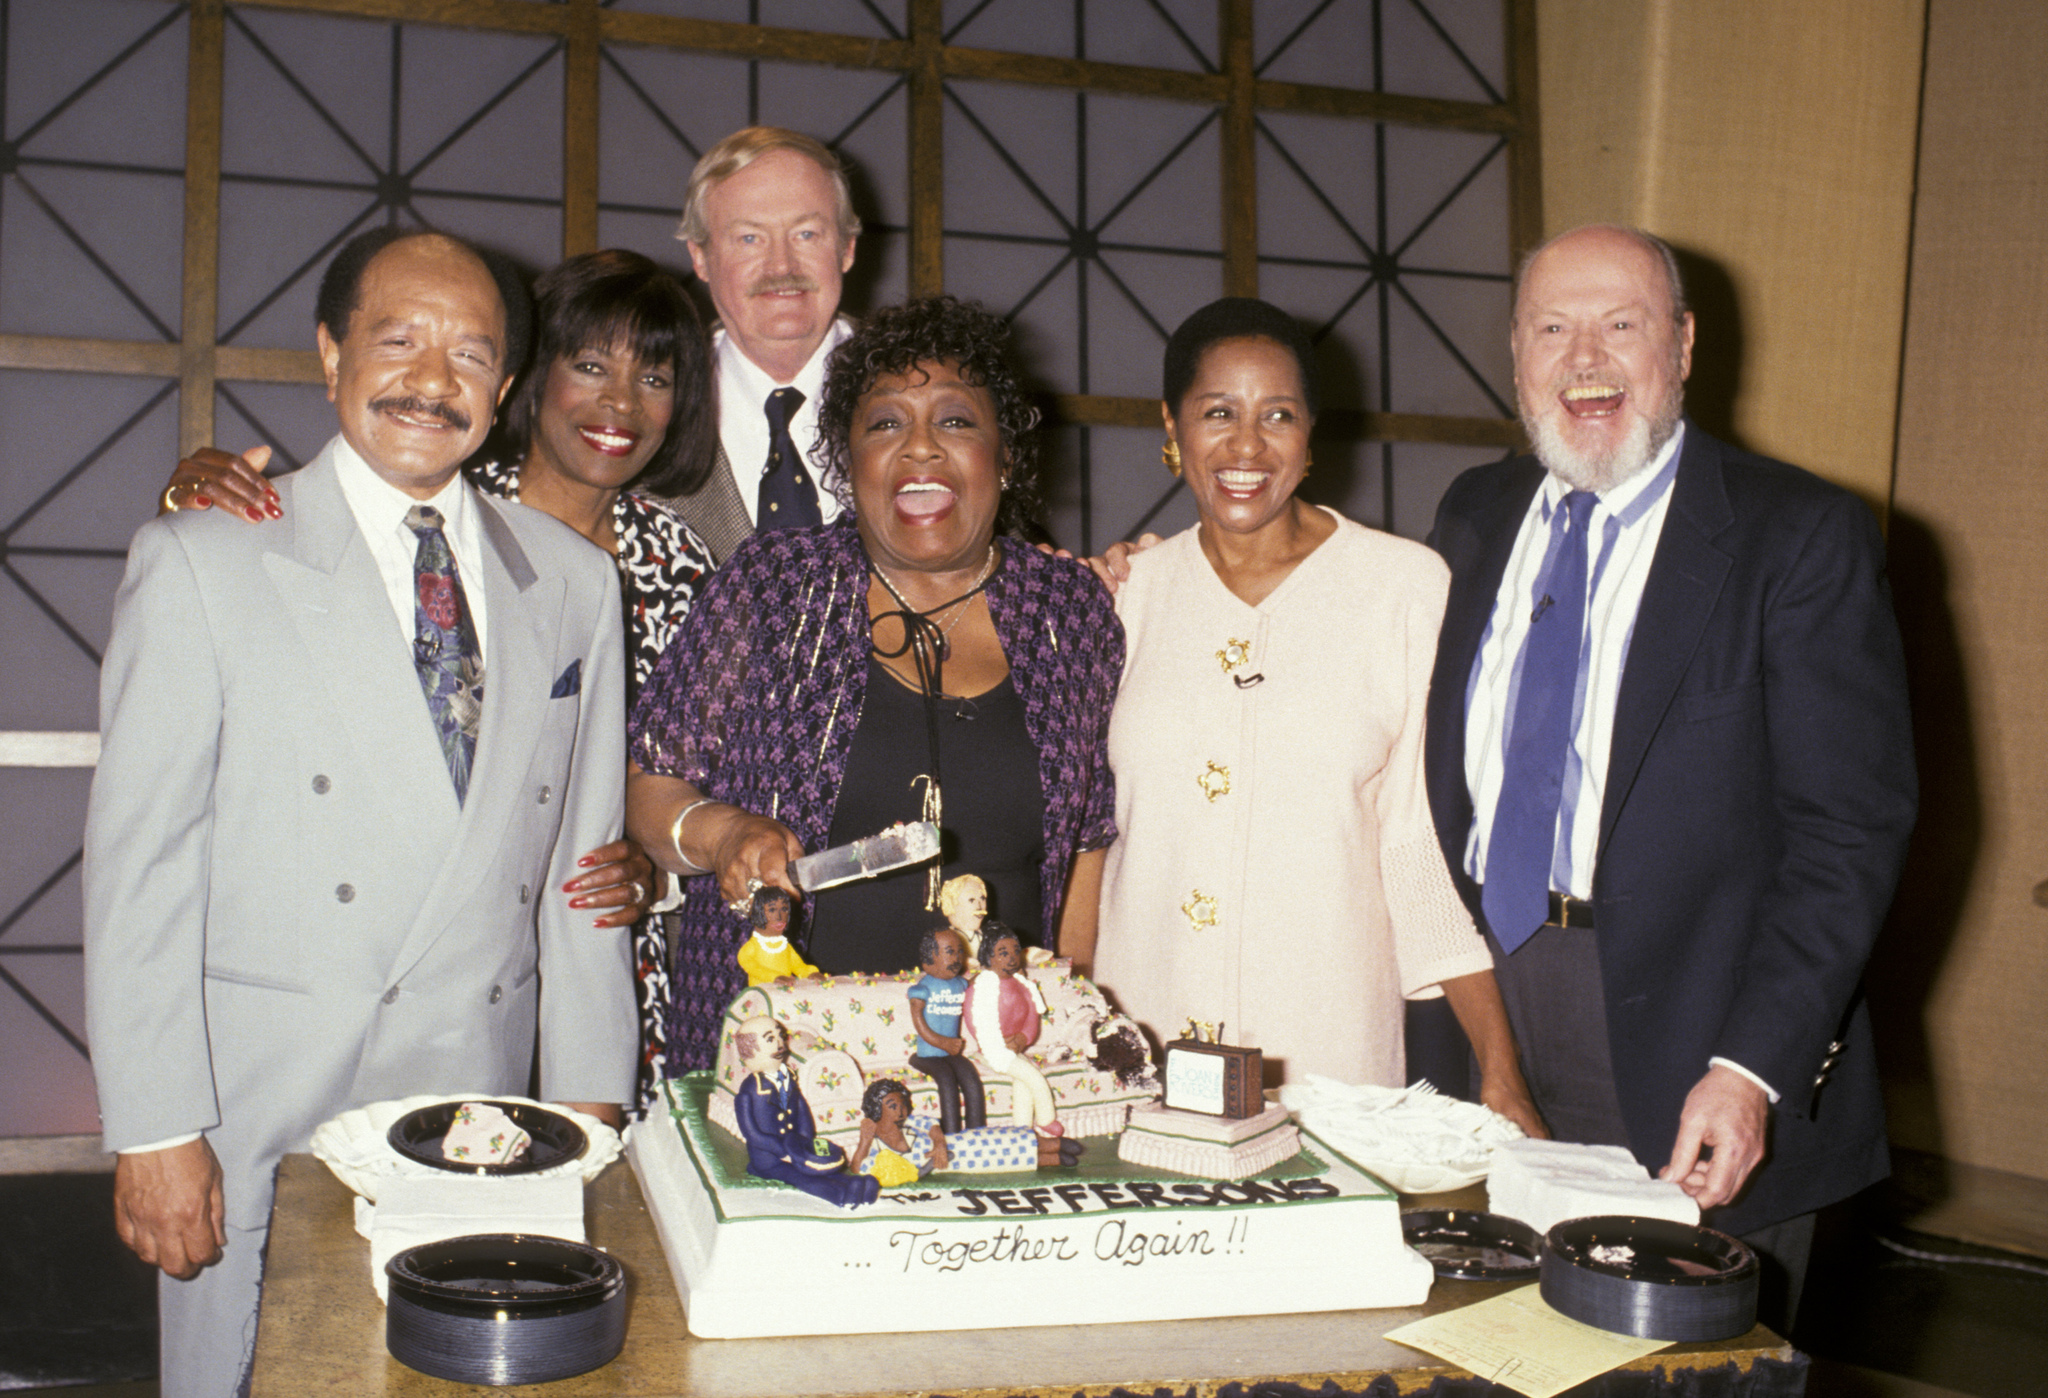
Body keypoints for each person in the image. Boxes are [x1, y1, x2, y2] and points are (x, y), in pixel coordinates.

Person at [83, 228, 637, 1395]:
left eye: (471, 355)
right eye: (399, 342)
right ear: (330, 352)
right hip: (258, 1118)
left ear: (505, 388)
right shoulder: (205, 559)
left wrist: (590, 1123)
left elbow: (583, 879)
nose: (433, 382)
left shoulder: (574, 584)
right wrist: (153, 1131)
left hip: (475, 1118)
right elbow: (141, 870)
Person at [1421, 224, 1915, 1326]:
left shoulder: (1797, 535)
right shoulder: (1471, 515)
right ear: (1514, 354)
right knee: (1485, 1343)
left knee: (1680, 1371)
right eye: (1552, 327)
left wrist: (1750, 1069)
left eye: (1620, 324)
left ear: (1681, 346)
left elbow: (1849, 830)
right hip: (1481, 1002)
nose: (1583, 357)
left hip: (1698, 1037)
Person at [155, 247, 717, 1113]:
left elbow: (652, 780)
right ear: (529, 384)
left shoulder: (674, 557)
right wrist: (192, 500)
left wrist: (653, 869)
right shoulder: (433, 485)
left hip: (567, 962)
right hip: (331, 1003)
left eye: (655, 376)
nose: (621, 401)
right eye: (592, 365)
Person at [627, 296, 1122, 1075]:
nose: (920, 448)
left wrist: (1067, 1023)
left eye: (956, 421)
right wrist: (723, 833)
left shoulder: (1070, 612)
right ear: (845, 457)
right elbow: (651, 787)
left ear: (1007, 455)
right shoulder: (773, 585)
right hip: (793, 1058)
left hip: (998, 1053)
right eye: (885, 423)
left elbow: (1089, 843)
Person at [1083, 297, 1542, 1134]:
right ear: (1171, 425)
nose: (1247, 446)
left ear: (1311, 435)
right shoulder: (1121, 598)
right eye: (1217, 413)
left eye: (1278, 416)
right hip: (1138, 1044)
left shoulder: (1402, 588)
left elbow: (1414, 845)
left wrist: (1501, 1072)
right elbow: (1084, 838)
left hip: (1327, 1055)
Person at [667, 125, 862, 558]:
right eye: (749, 238)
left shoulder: (929, 391)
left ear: (847, 248)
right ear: (700, 257)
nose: (781, 265)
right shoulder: (650, 403)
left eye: (806, 234)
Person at [730, 1016, 880, 1207]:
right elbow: (752, 1133)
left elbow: (801, 1110)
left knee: (817, 1169)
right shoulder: (750, 1090)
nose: (779, 1043)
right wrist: (783, 1151)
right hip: (769, 1158)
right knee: (800, 1177)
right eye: (770, 1039)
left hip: (795, 1148)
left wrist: (804, 1142)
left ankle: (857, 1185)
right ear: (750, 1052)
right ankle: (840, 1194)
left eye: (780, 1035)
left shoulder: (789, 1077)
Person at [848, 1078, 1072, 1184]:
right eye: (893, 1106)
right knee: (1006, 1159)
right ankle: (1056, 1157)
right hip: (964, 1163)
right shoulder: (876, 1146)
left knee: (1002, 1138)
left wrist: (939, 1145)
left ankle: (1054, 1144)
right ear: (877, 1110)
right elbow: (858, 1169)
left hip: (961, 1143)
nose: (901, 1110)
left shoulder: (911, 1122)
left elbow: (932, 1126)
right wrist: (864, 1141)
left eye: (902, 1104)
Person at [966, 924, 1059, 1133]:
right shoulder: (980, 987)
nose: (1012, 958)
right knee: (1033, 1077)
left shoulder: (1023, 986)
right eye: (1003, 953)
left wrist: (1023, 1039)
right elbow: (974, 1020)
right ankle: (1046, 1119)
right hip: (990, 1050)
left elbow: (1031, 1018)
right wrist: (997, 1043)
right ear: (988, 958)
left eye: (1016, 951)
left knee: (1022, 1082)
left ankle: (1022, 1130)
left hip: (1014, 1046)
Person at [905, 925, 984, 1133]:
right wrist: (943, 1042)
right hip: (929, 1052)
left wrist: (989, 973)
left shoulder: (959, 984)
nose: (957, 957)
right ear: (930, 956)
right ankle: (951, 1134)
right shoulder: (922, 988)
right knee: (947, 1080)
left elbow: (974, 985)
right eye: (950, 952)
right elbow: (918, 1021)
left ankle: (977, 1133)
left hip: (951, 1051)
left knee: (970, 1078)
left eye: (960, 951)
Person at [736, 885, 818, 986]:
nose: (780, 917)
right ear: (758, 912)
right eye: (772, 910)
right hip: (762, 994)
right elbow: (752, 966)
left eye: (784, 909)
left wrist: (812, 973)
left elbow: (799, 966)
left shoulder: (785, 947)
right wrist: (774, 977)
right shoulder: (752, 947)